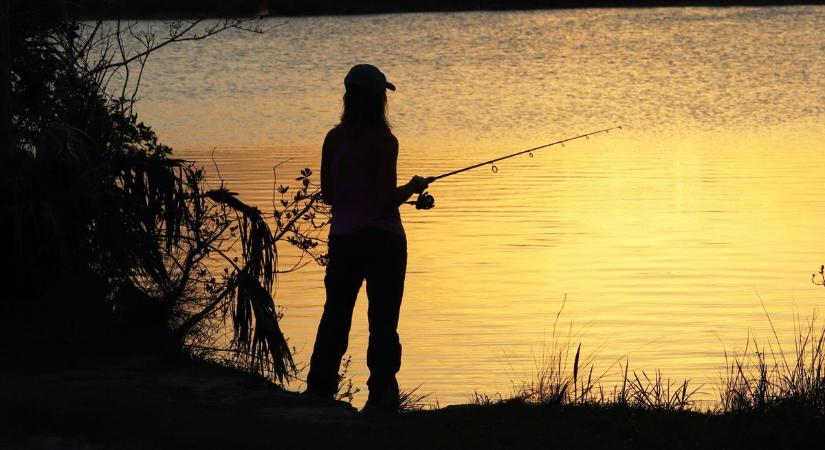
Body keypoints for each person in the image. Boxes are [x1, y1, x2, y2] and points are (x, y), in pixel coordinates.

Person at [305, 64, 429, 413]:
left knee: (336, 314)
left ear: (347, 98)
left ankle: (319, 389)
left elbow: (328, 194)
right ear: (378, 100)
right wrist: (414, 186)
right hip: (384, 241)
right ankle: (382, 397)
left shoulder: (333, 138)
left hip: (344, 239)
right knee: (384, 319)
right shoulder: (385, 141)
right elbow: (384, 200)